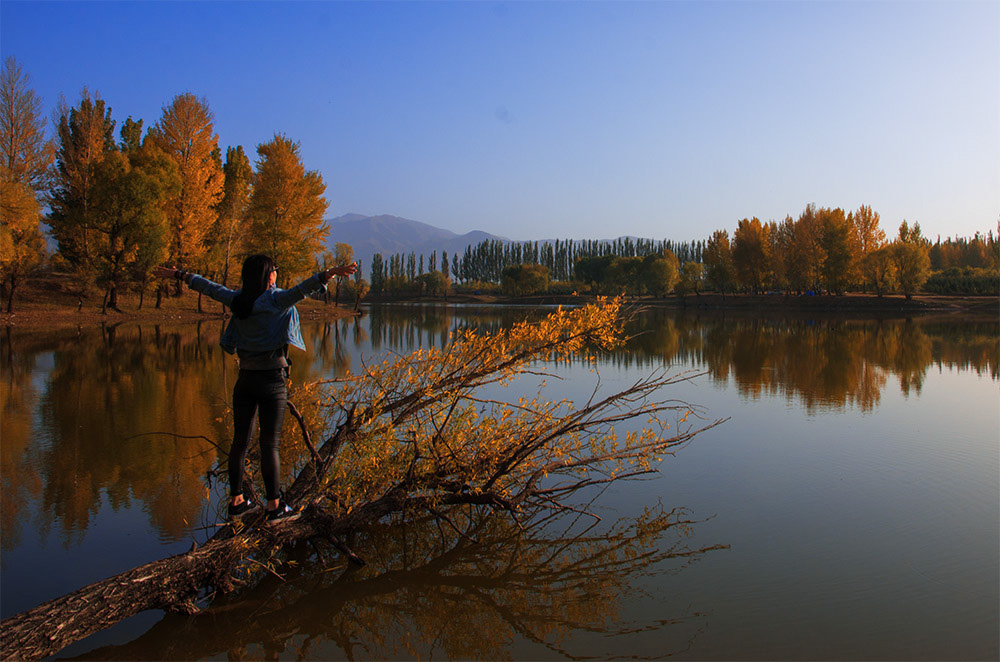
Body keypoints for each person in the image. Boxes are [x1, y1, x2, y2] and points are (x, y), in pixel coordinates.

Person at [154, 255, 357, 522]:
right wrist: (331, 272)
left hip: (245, 379)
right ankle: (275, 507)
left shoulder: (237, 299)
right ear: (268, 275)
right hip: (272, 380)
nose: (276, 273)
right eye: (275, 270)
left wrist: (179, 274)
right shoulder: (277, 299)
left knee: (240, 442)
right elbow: (305, 287)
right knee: (270, 444)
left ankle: (237, 501)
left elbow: (207, 286)